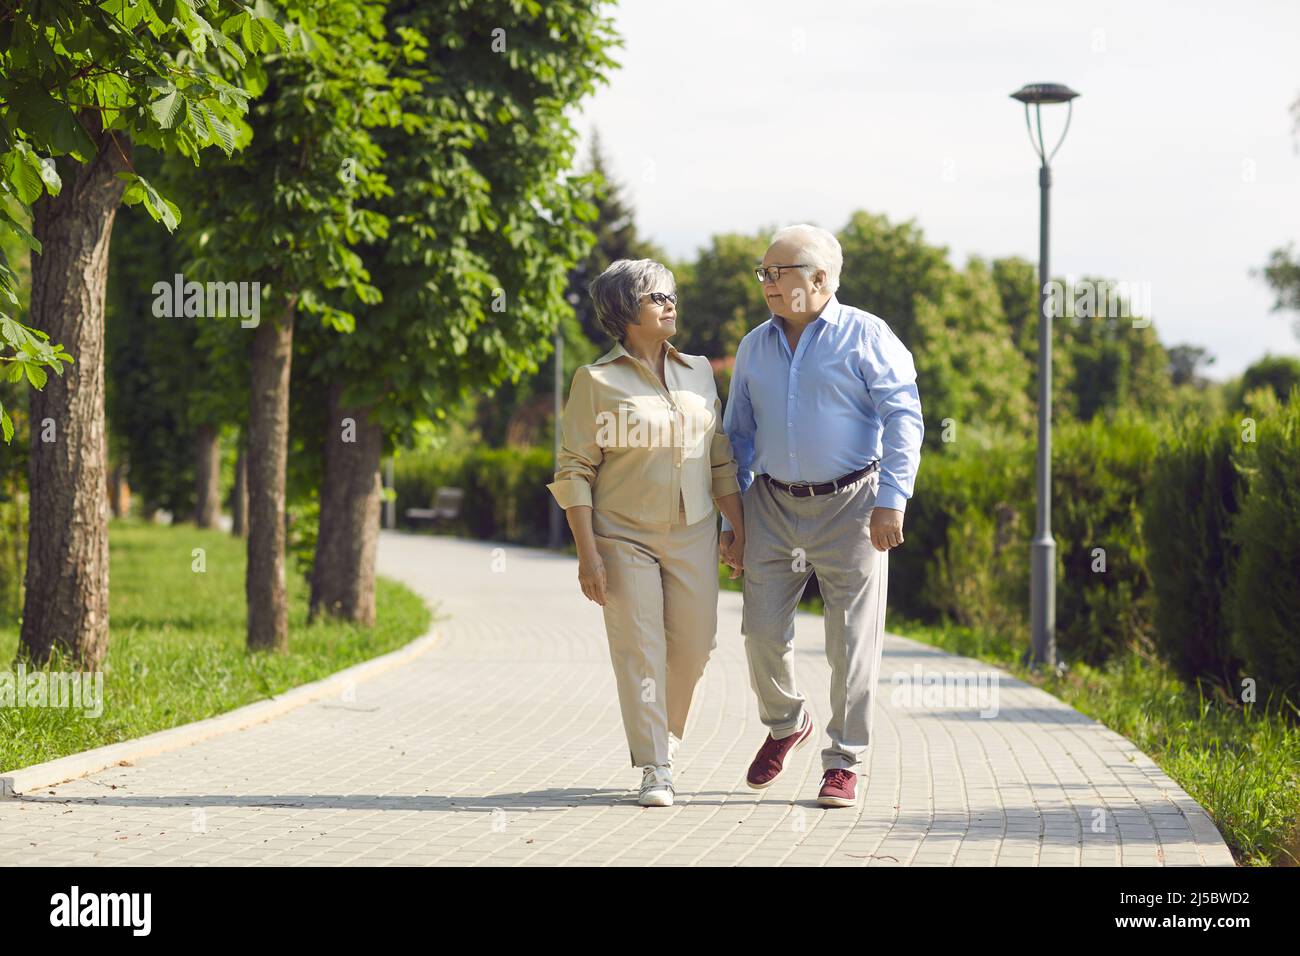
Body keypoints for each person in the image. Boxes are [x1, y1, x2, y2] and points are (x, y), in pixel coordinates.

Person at [721, 223, 924, 808]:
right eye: (763, 273)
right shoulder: (754, 344)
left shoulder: (868, 336)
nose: (766, 283)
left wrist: (893, 497)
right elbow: (738, 433)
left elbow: (903, 418)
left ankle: (844, 762)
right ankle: (787, 724)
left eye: (775, 273)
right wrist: (732, 522)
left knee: (851, 641)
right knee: (760, 630)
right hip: (771, 503)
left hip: (854, 505)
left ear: (820, 278)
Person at [547, 258, 746, 807]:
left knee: (697, 644)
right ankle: (655, 764)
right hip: (622, 535)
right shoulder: (596, 381)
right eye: (656, 297)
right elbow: (574, 471)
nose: (669, 303)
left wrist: (738, 528)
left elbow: (720, 457)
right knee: (640, 646)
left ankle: (664, 735)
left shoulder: (700, 371)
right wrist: (588, 555)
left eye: (670, 294)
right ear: (624, 310)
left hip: (695, 531)